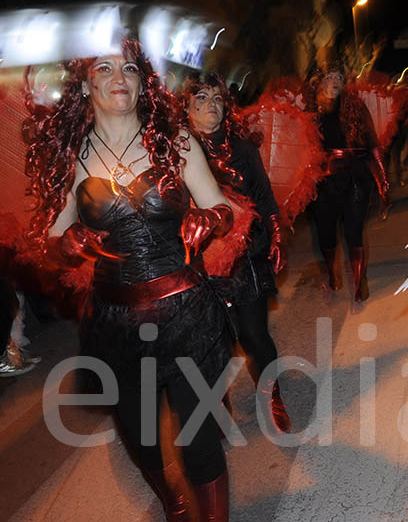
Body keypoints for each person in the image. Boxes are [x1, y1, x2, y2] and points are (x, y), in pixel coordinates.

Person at [23, 39, 234, 520]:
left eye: (131, 68)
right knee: (140, 434)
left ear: (144, 83)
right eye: (105, 66)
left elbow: (221, 205)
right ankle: (173, 503)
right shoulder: (71, 156)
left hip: (186, 314)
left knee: (199, 433)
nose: (120, 77)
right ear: (86, 83)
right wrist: (66, 244)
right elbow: (51, 242)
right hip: (116, 323)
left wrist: (212, 220)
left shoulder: (177, 142)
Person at [183, 72, 291, 433]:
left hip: (246, 259)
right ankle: (220, 405)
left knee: (254, 335)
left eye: (217, 99)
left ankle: (272, 396)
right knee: (213, 342)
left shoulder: (243, 149)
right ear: (185, 106)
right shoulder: (174, 152)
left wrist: (276, 236)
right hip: (197, 264)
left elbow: (264, 197)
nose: (211, 106)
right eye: (201, 97)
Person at [308, 64, 389, 305]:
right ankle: (331, 273)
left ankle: (359, 281)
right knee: (326, 233)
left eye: (339, 78)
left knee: (354, 230)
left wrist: (383, 178)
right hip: (322, 182)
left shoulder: (355, 107)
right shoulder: (310, 111)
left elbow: (373, 143)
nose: (335, 81)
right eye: (330, 77)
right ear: (320, 82)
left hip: (355, 177)